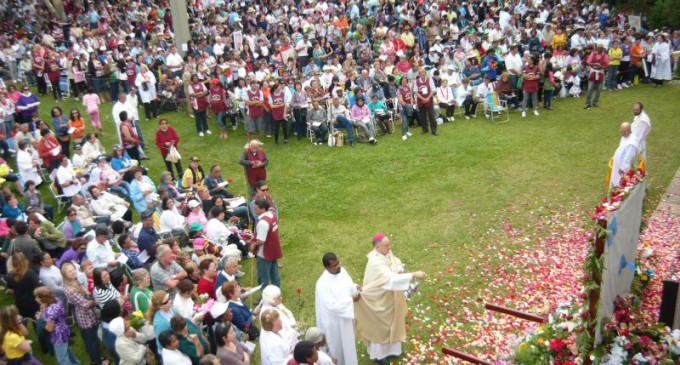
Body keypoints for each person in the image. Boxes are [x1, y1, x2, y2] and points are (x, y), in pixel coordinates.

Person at [354, 234, 426, 365]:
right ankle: (379, 355)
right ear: (378, 247)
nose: (389, 247)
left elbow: (394, 261)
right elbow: (390, 279)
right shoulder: (375, 262)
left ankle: (394, 350)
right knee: (380, 327)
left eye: (389, 244)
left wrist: (400, 268)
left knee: (394, 321)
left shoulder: (385, 252)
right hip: (378, 299)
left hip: (391, 297)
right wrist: (413, 274)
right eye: (387, 245)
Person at [315, 253, 360, 365]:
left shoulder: (342, 271)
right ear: (326, 268)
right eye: (334, 265)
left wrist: (356, 287)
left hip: (344, 318)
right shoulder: (322, 284)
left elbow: (348, 285)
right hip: (333, 323)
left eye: (338, 263)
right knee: (337, 348)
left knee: (348, 344)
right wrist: (351, 299)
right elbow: (332, 306)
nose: (338, 266)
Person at [61, 262, 106, 365]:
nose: (73, 272)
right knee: (93, 340)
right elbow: (86, 304)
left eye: (73, 269)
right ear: (65, 274)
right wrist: (97, 300)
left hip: (82, 314)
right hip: (86, 316)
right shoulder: (71, 289)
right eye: (69, 271)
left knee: (88, 339)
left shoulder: (73, 281)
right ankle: (97, 361)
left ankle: (93, 356)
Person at [34, 286, 79, 365]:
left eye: (37, 297)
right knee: (67, 350)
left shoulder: (50, 311)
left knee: (62, 359)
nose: (35, 299)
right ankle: (76, 363)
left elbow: (50, 328)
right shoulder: (57, 301)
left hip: (58, 336)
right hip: (64, 330)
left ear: (43, 298)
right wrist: (44, 311)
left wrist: (39, 320)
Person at [251, 198, 282, 288]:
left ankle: (265, 296)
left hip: (264, 253)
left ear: (263, 209)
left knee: (263, 276)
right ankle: (277, 291)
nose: (254, 210)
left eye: (256, 208)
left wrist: (254, 244)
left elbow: (261, 240)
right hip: (273, 249)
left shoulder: (263, 223)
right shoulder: (272, 216)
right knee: (274, 272)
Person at [5, 252, 41, 322]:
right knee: (37, 320)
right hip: (33, 302)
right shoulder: (30, 273)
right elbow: (38, 287)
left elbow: (10, 290)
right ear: (25, 260)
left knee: (25, 320)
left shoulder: (10, 275)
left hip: (20, 302)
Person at [609, 122, 639, 189]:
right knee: (615, 180)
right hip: (618, 164)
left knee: (620, 182)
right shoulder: (625, 136)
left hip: (622, 168)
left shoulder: (632, 143)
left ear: (629, 130)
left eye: (624, 132)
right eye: (621, 131)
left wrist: (622, 168)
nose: (622, 133)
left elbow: (629, 157)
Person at [584, 46, 609, 110]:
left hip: (600, 72)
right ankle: (587, 103)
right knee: (590, 88)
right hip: (593, 72)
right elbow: (588, 62)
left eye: (600, 49)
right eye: (598, 49)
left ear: (602, 50)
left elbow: (608, 65)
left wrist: (602, 66)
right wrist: (594, 64)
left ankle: (595, 101)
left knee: (599, 89)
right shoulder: (593, 54)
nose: (599, 51)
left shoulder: (605, 56)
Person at [413, 69, 437, 135]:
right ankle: (425, 129)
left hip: (429, 99)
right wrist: (423, 98)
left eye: (423, 73)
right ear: (419, 74)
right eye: (421, 73)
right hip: (421, 100)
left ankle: (434, 130)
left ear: (425, 73)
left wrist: (427, 98)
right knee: (422, 116)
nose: (422, 74)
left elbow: (433, 90)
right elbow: (416, 92)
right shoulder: (416, 81)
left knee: (431, 115)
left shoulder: (430, 80)